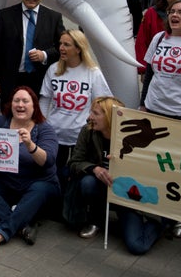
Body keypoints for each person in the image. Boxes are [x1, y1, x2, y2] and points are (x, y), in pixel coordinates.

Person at [67, 96, 165, 254]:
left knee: (137, 246)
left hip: (126, 194)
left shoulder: (132, 137)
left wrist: (124, 163)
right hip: (101, 187)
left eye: (95, 113)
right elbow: (74, 162)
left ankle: (159, 224)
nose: (89, 117)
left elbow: (148, 171)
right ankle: (96, 220)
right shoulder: (88, 131)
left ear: (109, 116)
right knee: (87, 183)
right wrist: (95, 169)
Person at [0, 86, 59, 251]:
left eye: (25, 101)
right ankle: (22, 226)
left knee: (40, 190)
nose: (20, 105)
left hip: (38, 184)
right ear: (10, 104)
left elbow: (48, 161)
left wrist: (30, 145)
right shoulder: (1, 122)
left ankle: (0, 233)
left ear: (34, 106)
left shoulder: (44, 129)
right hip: (8, 183)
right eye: (16, 101)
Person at [39, 30, 111, 183]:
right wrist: (42, 127)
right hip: (55, 134)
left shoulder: (93, 73)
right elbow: (45, 100)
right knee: (54, 176)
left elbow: (103, 105)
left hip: (81, 137)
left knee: (77, 178)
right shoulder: (53, 70)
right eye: (60, 44)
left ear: (79, 48)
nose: (61, 48)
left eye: (67, 45)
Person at [0, 0, 65, 103]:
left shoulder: (54, 17)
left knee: (36, 121)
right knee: (9, 120)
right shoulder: (5, 15)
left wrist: (44, 55)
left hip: (41, 81)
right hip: (10, 80)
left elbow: (62, 48)